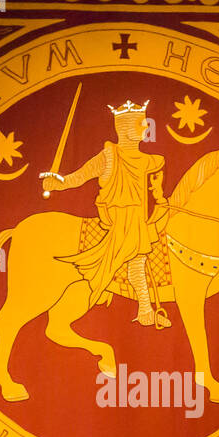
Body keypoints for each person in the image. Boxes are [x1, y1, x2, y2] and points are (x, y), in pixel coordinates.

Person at [39, 100, 170, 328]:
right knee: (135, 262)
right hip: (119, 220)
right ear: (127, 128)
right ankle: (141, 309)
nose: (146, 129)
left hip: (138, 219)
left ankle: (145, 310)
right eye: (141, 124)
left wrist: (159, 194)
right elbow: (79, 177)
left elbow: (159, 164)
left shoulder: (148, 160)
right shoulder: (108, 157)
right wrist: (58, 183)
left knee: (139, 260)